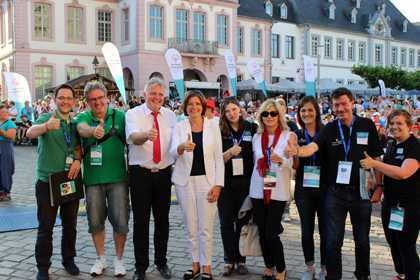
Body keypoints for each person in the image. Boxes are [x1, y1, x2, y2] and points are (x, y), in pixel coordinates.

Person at [288, 88, 384, 280]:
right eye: (336, 105)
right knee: (333, 241)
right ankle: (333, 276)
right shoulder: (330, 129)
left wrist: (379, 187)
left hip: (362, 191)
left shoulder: (366, 125)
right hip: (335, 194)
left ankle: (363, 275)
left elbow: (376, 157)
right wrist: (297, 151)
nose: (340, 108)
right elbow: (312, 147)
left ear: (352, 103)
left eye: (343, 104)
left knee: (362, 240)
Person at [26, 84, 82, 280]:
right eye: (61, 98)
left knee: (70, 225)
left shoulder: (75, 123)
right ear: (55, 100)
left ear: (74, 101)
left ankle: (69, 260)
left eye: (69, 98)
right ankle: (43, 267)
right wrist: (45, 127)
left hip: (69, 181)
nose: (65, 101)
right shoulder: (46, 118)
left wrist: (77, 159)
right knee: (46, 227)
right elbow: (30, 133)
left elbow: (77, 148)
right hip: (47, 182)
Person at [74, 81, 129, 277]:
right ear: (87, 102)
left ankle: (119, 260)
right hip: (93, 180)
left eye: (100, 98)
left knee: (121, 221)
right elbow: (80, 128)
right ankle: (100, 258)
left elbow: (132, 138)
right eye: (92, 100)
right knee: (95, 221)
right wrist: (92, 131)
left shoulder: (120, 116)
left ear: (107, 98)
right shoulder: (84, 116)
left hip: (118, 178)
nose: (97, 103)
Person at [170, 90, 224, 280]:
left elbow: (219, 158)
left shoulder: (213, 126)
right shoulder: (179, 126)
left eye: (197, 104)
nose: (194, 107)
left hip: (207, 182)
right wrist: (182, 147)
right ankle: (194, 265)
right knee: (191, 226)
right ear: (185, 107)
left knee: (206, 227)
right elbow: (172, 152)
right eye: (190, 104)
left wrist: (218, 185)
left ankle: (207, 267)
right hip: (185, 182)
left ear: (203, 107)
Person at [126, 78, 176, 280]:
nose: (156, 97)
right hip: (141, 174)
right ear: (145, 94)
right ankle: (140, 266)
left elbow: (176, 142)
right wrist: (146, 135)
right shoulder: (133, 114)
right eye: (153, 93)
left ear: (164, 96)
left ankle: (161, 262)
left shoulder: (171, 116)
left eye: (160, 94)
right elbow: (133, 137)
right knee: (141, 221)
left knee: (163, 221)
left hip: (164, 173)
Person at [360, 110, 419, 280]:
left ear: (410, 126)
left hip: (409, 206)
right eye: (392, 123)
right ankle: (401, 274)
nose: (394, 127)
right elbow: (386, 170)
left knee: (406, 245)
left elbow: (403, 173)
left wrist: (375, 163)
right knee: (393, 242)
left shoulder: (415, 146)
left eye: (399, 123)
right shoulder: (392, 144)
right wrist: (378, 185)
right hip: (390, 203)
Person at [250, 99, 296, 280]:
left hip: (278, 190)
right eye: (265, 114)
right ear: (261, 116)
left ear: (279, 115)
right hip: (257, 189)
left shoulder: (287, 135)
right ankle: (269, 264)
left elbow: (291, 164)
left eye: (273, 113)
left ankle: (281, 268)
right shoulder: (256, 137)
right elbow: (255, 163)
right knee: (262, 230)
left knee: (272, 232)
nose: (269, 117)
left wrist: (281, 160)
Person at [218, 97, 257, 276]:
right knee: (226, 223)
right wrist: (228, 153)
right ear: (223, 114)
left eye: (234, 109)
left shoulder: (251, 128)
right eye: (227, 111)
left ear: (240, 109)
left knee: (242, 223)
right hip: (225, 184)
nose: (231, 113)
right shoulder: (219, 131)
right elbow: (214, 159)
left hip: (246, 184)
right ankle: (228, 260)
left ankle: (241, 259)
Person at [293, 96, 327, 280]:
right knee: (306, 230)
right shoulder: (296, 135)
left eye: (310, 110)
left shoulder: (326, 132)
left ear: (316, 111)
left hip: (324, 189)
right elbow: (295, 166)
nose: (306, 113)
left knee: (325, 230)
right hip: (303, 189)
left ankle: (324, 267)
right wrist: (293, 154)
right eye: (303, 110)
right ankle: (309, 267)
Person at [0, 104, 17, 201]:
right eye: (2, 112)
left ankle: (6, 192)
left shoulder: (10, 123)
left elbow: (11, 136)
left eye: (6, 112)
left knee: (5, 169)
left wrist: (1, 131)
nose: (5, 113)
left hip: (5, 146)